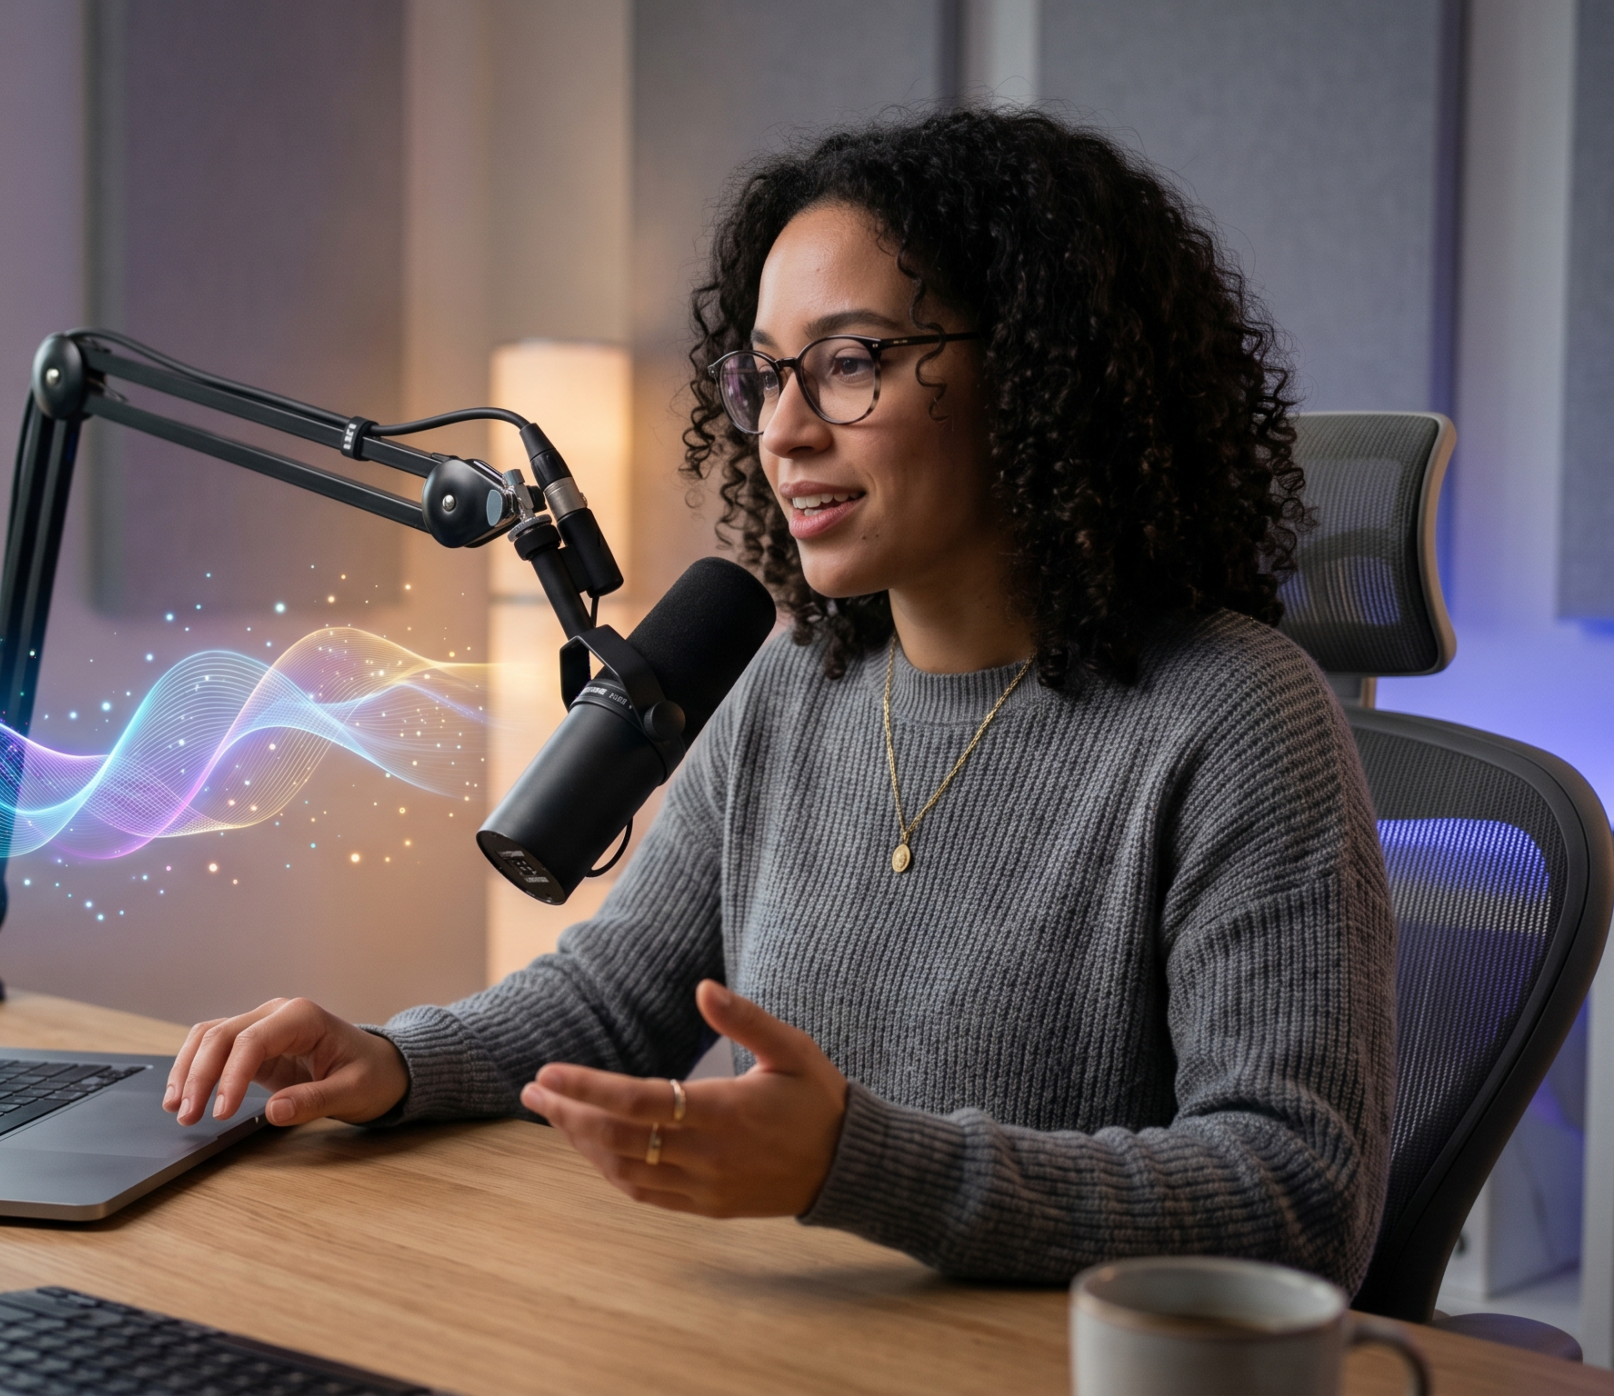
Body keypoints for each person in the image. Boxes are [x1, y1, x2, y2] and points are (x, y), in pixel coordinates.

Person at [161, 108, 1393, 1290]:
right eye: (765, 377)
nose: (784, 431)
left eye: (848, 362)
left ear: (1037, 373)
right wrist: (393, 1060)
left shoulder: (1237, 720)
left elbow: (1292, 1195)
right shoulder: (796, 685)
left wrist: (857, 1164)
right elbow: (610, 999)